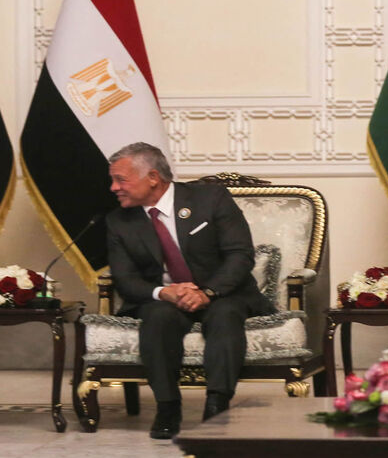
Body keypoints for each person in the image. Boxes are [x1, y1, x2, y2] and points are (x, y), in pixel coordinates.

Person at [105, 142, 275, 439]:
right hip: (165, 298)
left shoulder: (210, 198)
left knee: (224, 316)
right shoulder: (119, 221)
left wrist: (207, 292)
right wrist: (163, 292)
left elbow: (240, 254)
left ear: (153, 177)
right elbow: (125, 278)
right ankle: (168, 407)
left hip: (224, 292)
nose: (113, 187)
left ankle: (217, 406)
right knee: (157, 320)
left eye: (121, 179)